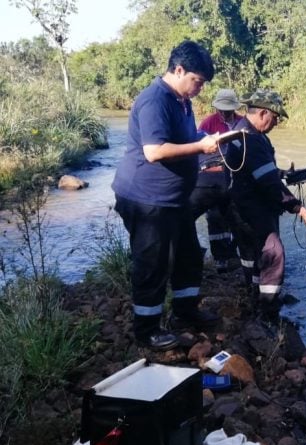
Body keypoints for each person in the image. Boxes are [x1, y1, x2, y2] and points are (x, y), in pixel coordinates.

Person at [111, 40, 222, 351]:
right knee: (153, 263)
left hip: (174, 199)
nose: (199, 88)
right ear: (178, 70)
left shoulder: (181, 100)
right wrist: (201, 147)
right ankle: (146, 330)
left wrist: (205, 138)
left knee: (188, 254)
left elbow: (185, 136)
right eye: (197, 81)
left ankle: (185, 311)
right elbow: (155, 150)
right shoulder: (155, 100)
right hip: (147, 199)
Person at [224, 88, 306, 321]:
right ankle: (268, 311)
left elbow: (258, 172)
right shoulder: (252, 139)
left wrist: (282, 173)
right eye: (276, 118)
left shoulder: (242, 132)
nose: (276, 123)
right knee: (274, 253)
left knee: (251, 251)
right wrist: (302, 210)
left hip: (237, 206)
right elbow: (269, 185)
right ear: (263, 113)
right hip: (250, 207)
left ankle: (253, 291)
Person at [190, 88, 242, 273]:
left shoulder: (242, 122)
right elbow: (196, 151)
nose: (224, 113)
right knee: (215, 217)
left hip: (235, 177)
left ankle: (235, 254)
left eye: (227, 110)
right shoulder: (207, 123)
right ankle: (220, 258)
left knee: (237, 216)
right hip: (212, 177)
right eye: (221, 109)